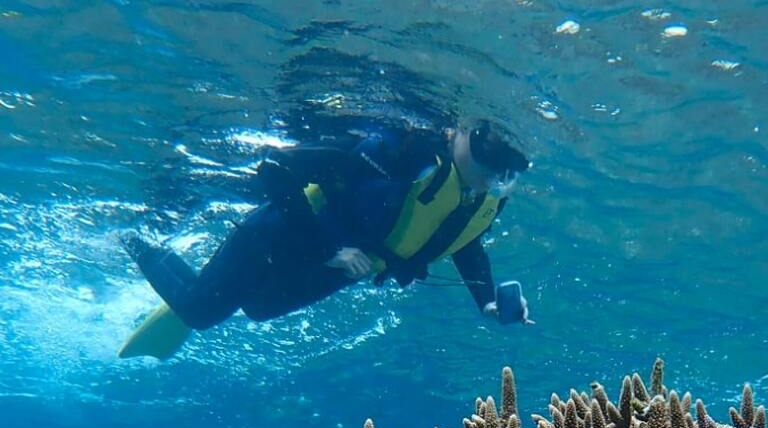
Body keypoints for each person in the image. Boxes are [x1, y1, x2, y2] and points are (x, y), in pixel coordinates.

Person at [118, 119, 533, 359]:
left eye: (506, 168)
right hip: (280, 236)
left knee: (258, 308)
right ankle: (132, 236)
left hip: (338, 268)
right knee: (200, 312)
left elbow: (464, 243)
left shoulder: (479, 198)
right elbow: (276, 168)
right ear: (461, 130)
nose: (490, 173)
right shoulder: (399, 150)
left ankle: (208, 285)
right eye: (487, 151)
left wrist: (487, 301)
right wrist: (328, 249)